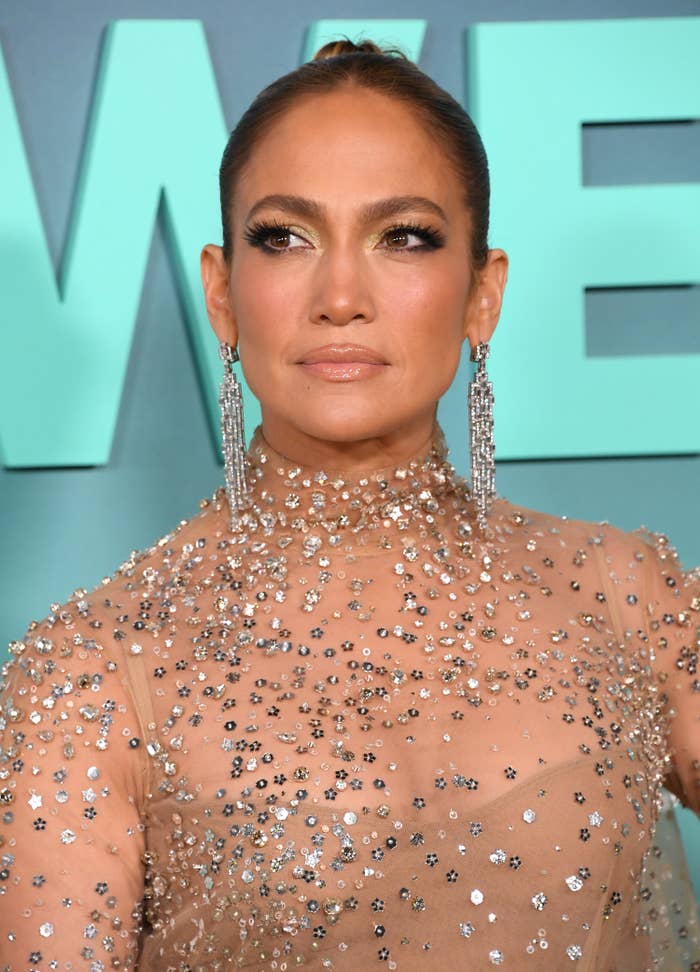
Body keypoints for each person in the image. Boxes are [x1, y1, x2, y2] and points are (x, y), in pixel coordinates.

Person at [1, 37, 698, 972]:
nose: (339, 296)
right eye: (285, 237)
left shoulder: (628, 595)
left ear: (482, 295)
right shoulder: (90, 673)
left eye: (403, 236)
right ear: (222, 294)